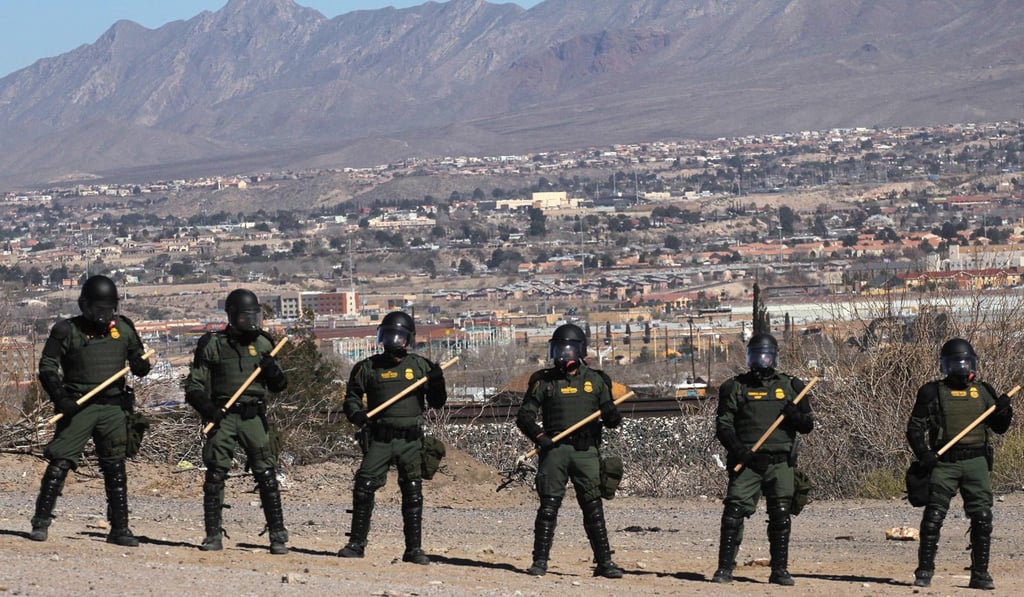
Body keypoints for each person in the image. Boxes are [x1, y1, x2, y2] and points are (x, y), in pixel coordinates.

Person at [30, 274, 153, 545]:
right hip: (79, 406)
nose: (103, 316)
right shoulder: (66, 330)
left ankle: (120, 529)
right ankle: (41, 522)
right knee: (60, 463)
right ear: (85, 306)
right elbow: (47, 367)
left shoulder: (124, 328)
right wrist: (60, 397)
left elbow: (139, 359)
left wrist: (141, 365)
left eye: (108, 310)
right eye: (98, 309)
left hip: (113, 408)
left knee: (115, 468)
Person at [184, 288, 290, 554]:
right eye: (246, 317)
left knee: (266, 475)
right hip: (224, 415)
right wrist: (209, 409)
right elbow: (194, 386)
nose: (252, 322)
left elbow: (280, 385)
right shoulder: (213, 344)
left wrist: (272, 371)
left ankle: (277, 535)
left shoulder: (264, 343)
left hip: (253, 416)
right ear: (232, 316)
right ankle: (213, 534)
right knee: (216, 474)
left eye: (255, 316)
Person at [515, 323, 625, 579]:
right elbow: (524, 416)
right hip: (554, 451)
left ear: (580, 351)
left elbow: (612, 421)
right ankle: (539, 561)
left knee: (593, 508)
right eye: (559, 349)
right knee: (548, 508)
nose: (564, 354)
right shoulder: (543, 381)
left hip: (586, 452)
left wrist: (612, 414)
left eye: (569, 349)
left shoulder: (597, 380)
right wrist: (539, 436)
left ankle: (604, 562)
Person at [339, 311, 447, 564]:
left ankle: (413, 549)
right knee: (364, 487)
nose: (393, 341)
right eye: (388, 335)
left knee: (412, 492)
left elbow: (438, 402)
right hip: (380, 439)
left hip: (410, 441)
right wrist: (357, 414)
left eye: (398, 336)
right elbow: (351, 398)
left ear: (408, 339)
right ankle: (356, 544)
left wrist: (437, 381)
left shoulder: (420, 366)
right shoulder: (367, 367)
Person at [906, 338, 1013, 590]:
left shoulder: (984, 391)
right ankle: (924, 571)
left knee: (982, 518)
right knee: (933, 516)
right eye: (956, 364)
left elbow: (1000, 428)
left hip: (976, 462)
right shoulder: (932, 392)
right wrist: (924, 453)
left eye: (965, 363)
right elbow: (914, 428)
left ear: (972, 363)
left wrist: (1004, 411)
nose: (961, 368)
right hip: (945, 462)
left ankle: (980, 574)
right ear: (946, 366)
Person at [711, 332, 813, 586]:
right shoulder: (735, 387)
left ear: (774, 357)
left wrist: (795, 416)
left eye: (766, 356)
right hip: (748, 462)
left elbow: (807, 425)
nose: (762, 361)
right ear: (749, 358)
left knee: (781, 515)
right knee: (733, 512)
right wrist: (740, 451)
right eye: (757, 356)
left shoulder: (792, 386)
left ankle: (780, 570)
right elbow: (723, 425)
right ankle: (724, 568)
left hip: (780, 462)